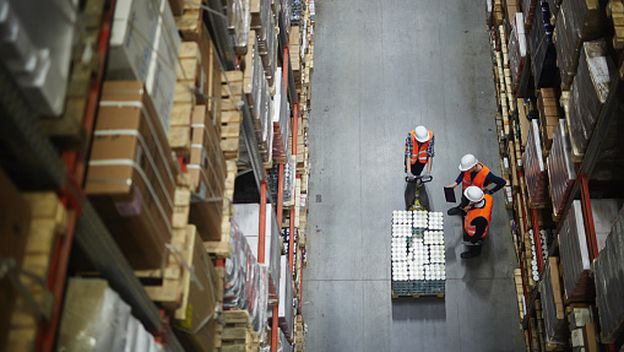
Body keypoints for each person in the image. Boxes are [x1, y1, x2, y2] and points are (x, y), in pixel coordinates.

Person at [461, 186, 493, 259]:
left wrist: (473, 241)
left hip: (475, 233)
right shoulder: (487, 197)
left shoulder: (480, 219)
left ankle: (474, 253)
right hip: (476, 224)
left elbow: (479, 233)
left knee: (476, 244)